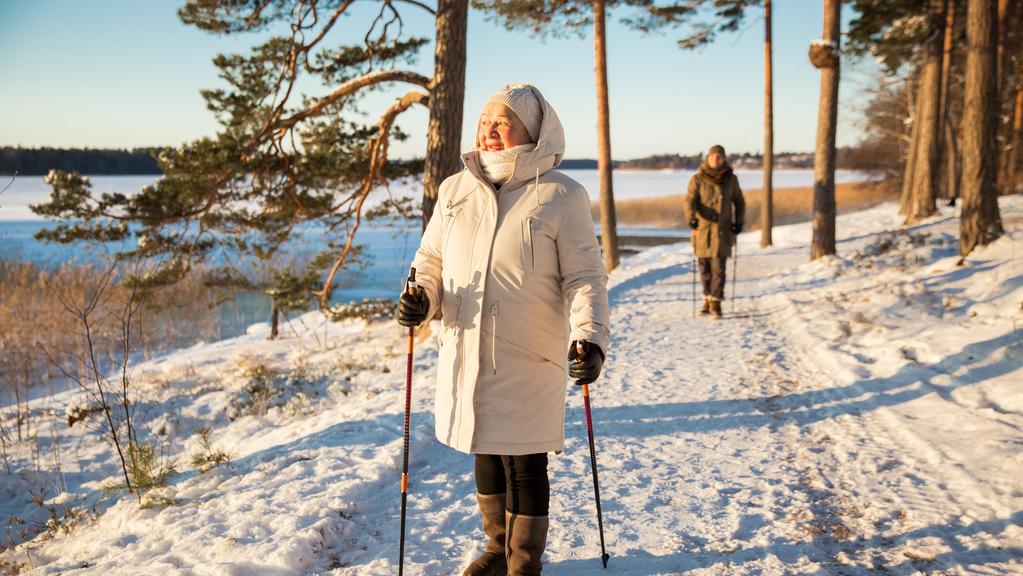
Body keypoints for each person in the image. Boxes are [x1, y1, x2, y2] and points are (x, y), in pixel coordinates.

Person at [396, 84, 611, 576]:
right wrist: (422, 298)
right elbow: (429, 259)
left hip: (528, 351)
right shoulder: (454, 190)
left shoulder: (561, 194)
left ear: (532, 132)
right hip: (465, 345)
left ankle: (522, 564)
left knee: (525, 461)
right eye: (485, 119)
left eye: (503, 120)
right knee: (485, 448)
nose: (489, 128)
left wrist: (591, 337)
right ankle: (497, 549)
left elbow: (585, 278)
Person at [685, 145, 746, 319]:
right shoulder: (697, 179)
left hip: (723, 230)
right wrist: (691, 217)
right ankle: (707, 299)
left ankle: (716, 302)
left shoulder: (731, 179)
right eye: (714, 157)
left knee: (719, 268)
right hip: (702, 231)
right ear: (708, 158)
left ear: (724, 159)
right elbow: (690, 200)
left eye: (720, 157)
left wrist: (738, 223)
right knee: (704, 268)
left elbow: (739, 202)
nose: (716, 160)